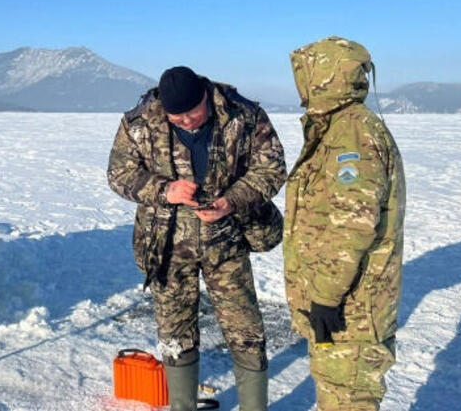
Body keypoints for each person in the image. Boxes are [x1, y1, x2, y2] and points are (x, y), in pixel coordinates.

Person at [107, 66, 286, 411]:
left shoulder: (243, 114)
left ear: (205, 96)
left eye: (192, 112)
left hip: (228, 240)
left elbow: (272, 168)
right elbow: (119, 173)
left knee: (245, 331)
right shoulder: (139, 122)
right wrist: (165, 190)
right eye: (177, 117)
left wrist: (230, 201)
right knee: (175, 332)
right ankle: (182, 406)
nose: (186, 121)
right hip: (167, 245)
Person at [283, 36, 406, 411]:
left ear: (326, 74)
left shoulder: (352, 132)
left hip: (351, 305)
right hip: (346, 301)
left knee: (348, 398)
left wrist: (324, 295)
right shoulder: (339, 126)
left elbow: (351, 225)